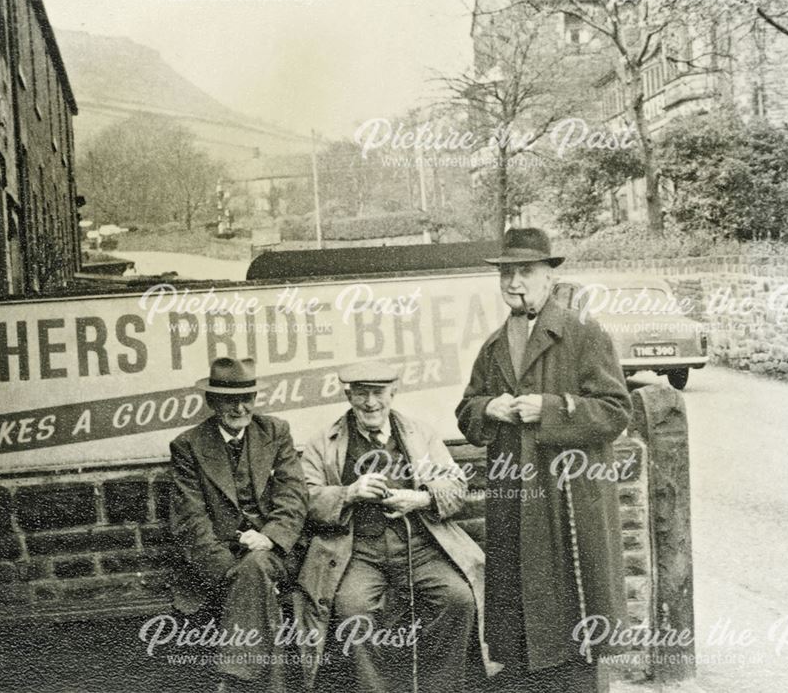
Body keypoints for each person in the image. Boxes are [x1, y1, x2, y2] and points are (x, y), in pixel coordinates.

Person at [455, 227, 632, 693]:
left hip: (569, 499)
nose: (514, 283)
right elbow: (467, 409)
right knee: (519, 616)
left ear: (550, 277)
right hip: (515, 496)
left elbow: (616, 411)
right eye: (507, 274)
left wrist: (549, 409)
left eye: (525, 272)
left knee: (574, 619)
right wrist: (487, 409)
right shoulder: (494, 344)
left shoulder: (583, 332)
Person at [296, 361, 489, 693]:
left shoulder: (419, 434)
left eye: (378, 393)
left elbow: (456, 487)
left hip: (422, 548)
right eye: (361, 394)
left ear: (393, 393)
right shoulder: (323, 443)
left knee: (458, 599)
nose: (371, 403)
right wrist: (348, 493)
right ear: (349, 395)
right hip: (357, 553)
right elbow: (304, 498)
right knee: (352, 610)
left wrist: (421, 498)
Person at [169, 357, 308, 693]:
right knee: (253, 575)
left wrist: (270, 538)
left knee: (258, 564)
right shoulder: (188, 445)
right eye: (230, 400)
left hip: (275, 551)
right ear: (212, 402)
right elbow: (190, 519)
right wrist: (226, 570)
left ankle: (231, 679)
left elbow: (294, 496)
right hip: (222, 560)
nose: (240, 407)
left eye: (247, 398)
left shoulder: (275, 432)